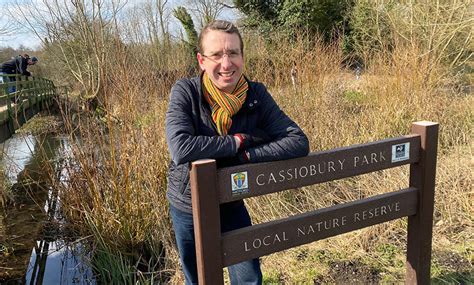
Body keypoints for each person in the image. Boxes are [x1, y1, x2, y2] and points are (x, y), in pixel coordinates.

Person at [165, 20, 309, 284]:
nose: (226, 63)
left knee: (248, 278)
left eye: (233, 53)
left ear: (242, 56)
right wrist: (237, 141)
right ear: (201, 60)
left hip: (232, 200)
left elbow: (298, 141)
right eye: (217, 54)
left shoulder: (256, 94)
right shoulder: (186, 92)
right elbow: (181, 148)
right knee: (197, 279)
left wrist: (244, 157)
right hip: (188, 205)